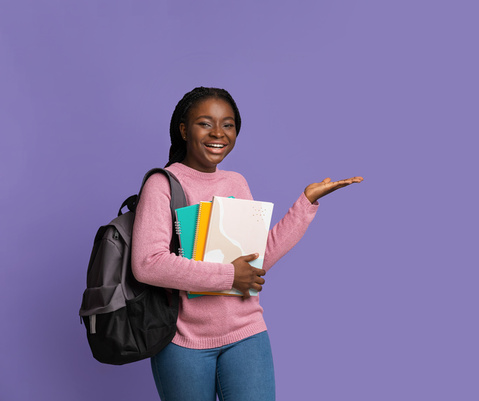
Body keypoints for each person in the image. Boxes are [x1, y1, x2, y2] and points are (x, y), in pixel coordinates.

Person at [131, 87, 362, 400]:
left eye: (228, 124)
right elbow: (148, 264)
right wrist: (229, 275)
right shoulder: (163, 184)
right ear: (184, 129)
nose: (218, 133)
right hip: (183, 341)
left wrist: (306, 203)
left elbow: (255, 261)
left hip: (246, 334)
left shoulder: (235, 182)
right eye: (205, 123)